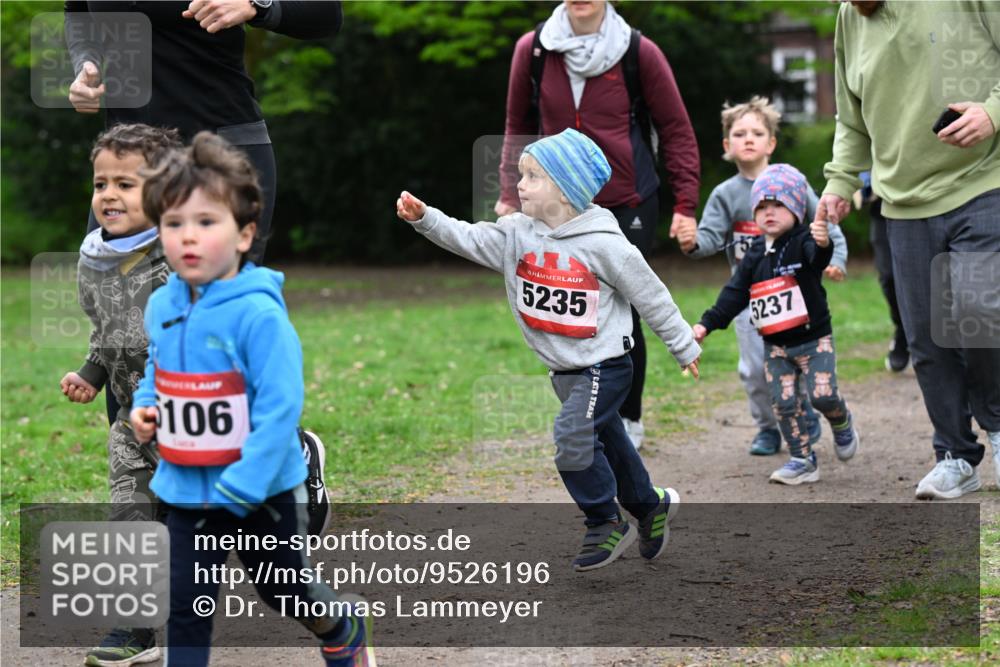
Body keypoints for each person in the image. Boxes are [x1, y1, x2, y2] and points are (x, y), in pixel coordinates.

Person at [397, 128, 700, 571]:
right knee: (610, 443)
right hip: (564, 371)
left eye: (533, 176)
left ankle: (604, 520)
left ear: (565, 189)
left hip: (606, 365)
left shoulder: (606, 244)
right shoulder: (516, 235)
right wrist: (426, 218)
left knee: (573, 438)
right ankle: (649, 505)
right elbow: (467, 237)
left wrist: (682, 345)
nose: (520, 184)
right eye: (522, 174)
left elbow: (650, 294)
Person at [130, 132, 372, 667]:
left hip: (260, 492)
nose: (187, 237)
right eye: (173, 224)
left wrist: (243, 485)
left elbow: (280, 408)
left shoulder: (259, 315)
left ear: (244, 235)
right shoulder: (163, 304)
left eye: (206, 222)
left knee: (282, 591)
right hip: (186, 487)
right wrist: (145, 404)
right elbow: (157, 366)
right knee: (186, 606)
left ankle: (341, 627)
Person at [495, 0, 701, 449]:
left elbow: (676, 129)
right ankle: (591, 410)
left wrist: (686, 203)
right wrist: (511, 194)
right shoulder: (533, 51)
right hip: (560, 206)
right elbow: (518, 123)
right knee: (574, 300)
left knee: (624, 303)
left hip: (627, 200)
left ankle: (627, 416)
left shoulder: (638, 52)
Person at [816, 0, 999, 500]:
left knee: (978, 309)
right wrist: (837, 182)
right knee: (925, 341)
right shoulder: (850, 19)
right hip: (903, 202)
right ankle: (956, 455)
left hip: (982, 182)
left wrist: (992, 112)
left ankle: (999, 428)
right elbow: (851, 119)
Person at [58, 123, 181, 667]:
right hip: (132, 419)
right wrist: (92, 371)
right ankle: (134, 629)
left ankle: (293, 470)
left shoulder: (183, 259)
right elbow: (106, 326)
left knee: (222, 533)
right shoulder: (95, 260)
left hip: (197, 421)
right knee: (129, 514)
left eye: (125, 185)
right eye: (101, 183)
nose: (108, 194)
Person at [673, 96, 850, 456]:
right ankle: (767, 427)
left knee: (799, 363)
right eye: (739, 134)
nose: (748, 139)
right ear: (727, 145)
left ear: (771, 142)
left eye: (757, 132)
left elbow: (824, 226)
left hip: (797, 297)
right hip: (750, 301)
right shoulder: (725, 195)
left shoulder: (791, 182)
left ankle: (804, 417)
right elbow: (710, 238)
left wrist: (837, 260)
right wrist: (691, 243)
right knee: (755, 371)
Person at [693, 164, 861, 485]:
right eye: (761, 207)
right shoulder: (755, 253)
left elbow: (817, 257)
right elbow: (735, 293)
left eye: (778, 205)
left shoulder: (803, 241)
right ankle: (802, 459)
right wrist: (706, 324)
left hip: (814, 340)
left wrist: (823, 242)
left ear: (797, 208)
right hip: (776, 345)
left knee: (822, 396)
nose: (769, 212)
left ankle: (841, 423)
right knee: (784, 403)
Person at [857, 171, 909, 372]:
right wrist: (865, 184)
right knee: (889, 277)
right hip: (884, 210)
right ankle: (903, 331)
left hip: (931, 202)